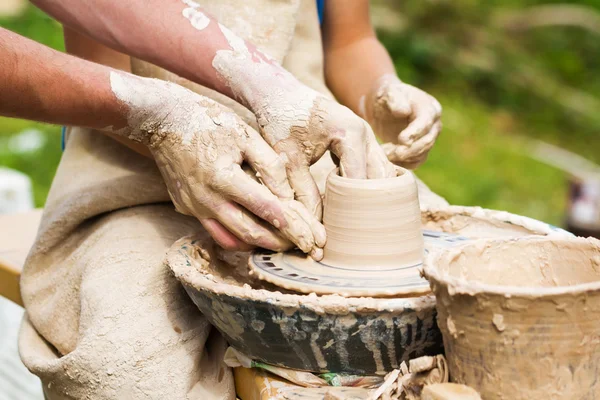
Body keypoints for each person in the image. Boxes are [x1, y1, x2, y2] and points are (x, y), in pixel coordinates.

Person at [10, 1, 444, 398]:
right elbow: (102, 66)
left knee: (464, 302)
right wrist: (169, 124)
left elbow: (353, 41)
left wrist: (378, 92)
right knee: (127, 361)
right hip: (136, 174)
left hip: (314, 160)